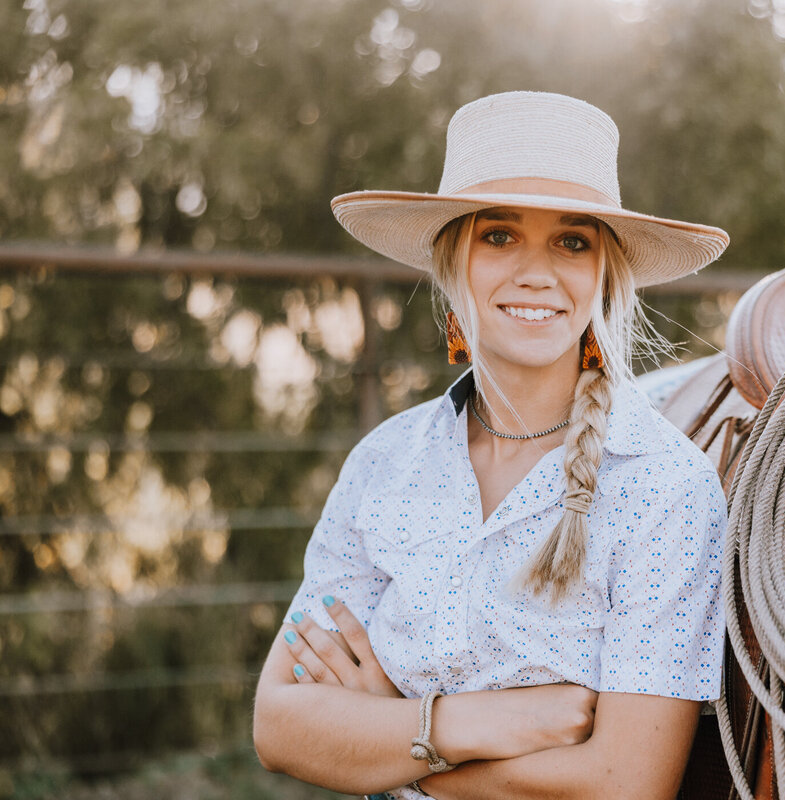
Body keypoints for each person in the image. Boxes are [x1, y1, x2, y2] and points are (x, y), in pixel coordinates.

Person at [252, 91, 730, 800]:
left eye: (572, 241)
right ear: (453, 262)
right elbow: (280, 725)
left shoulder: (663, 488)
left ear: (602, 272)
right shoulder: (384, 465)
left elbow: (624, 784)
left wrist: (389, 733)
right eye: (499, 236)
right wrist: (465, 724)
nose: (536, 272)